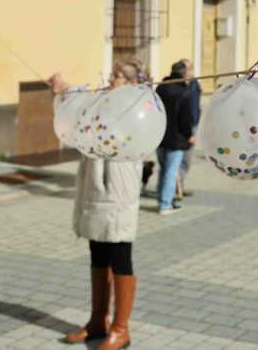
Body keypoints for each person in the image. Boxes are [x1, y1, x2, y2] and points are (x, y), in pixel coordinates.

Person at [50, 60, 145, 350]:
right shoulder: (103, 102)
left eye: (119, 76)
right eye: (113, 74)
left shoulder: (137, 106)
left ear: (131, 83)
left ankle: (120, 329)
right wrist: (64, 88)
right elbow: (81, 103)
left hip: (118, 186)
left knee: (119, 253)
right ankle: (97, 321)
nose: (112, 79)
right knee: (98, 253)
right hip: (95, 185)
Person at [155, 61, 196, 214]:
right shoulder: (183, 92)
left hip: (160, 136)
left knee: (163, 170)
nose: (191, 73)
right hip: (176, 139)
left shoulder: (161, 87)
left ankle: (161, 200)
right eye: (189, 70)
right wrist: (189, 135)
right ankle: (165, 204)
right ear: (184, 73)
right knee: (171, 172)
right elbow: (185, 119)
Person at [177, 58, 202, 198]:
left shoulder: (194, 84)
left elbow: (195, 104)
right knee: (176, 157)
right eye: (184, 68)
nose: (187, 72)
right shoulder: (175, 84)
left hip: (191, 125)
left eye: (189, 68)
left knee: (187, 158)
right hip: (179, 125)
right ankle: (175, 186)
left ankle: (181, 184)